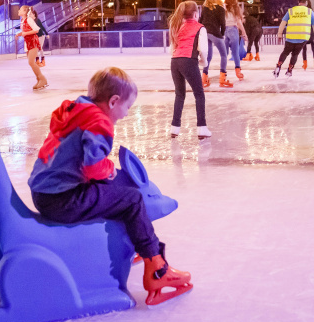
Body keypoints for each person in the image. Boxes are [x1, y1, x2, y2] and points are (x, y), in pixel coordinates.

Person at [28, 67, 193, 306]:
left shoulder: (77, 109)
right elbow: (93, 168)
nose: (126, 114)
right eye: (127, 107)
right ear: (114, 101)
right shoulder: (99, 122)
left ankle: (135, 242)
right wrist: (108, 169)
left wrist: (107, 170)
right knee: (133, 200)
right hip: (62, 199)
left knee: (118, 190)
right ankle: (157, 268)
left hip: (44, 190)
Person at [168, 1, 210, 140]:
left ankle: (174, 128)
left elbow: (171, 48)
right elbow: (203, 49)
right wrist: (204, 62)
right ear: (196, 14)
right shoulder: (200, 28)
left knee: (179, 94)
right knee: (199, 94)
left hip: (175, 61)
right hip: (188, 61)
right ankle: (202, 128)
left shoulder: (178, 27)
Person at [274, 0, 314, 78]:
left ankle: (278, 66)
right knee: (295, 54)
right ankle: (289, 70)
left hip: (290, 37)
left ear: (299, 2)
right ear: (306, 2)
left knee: (285, 52)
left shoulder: (291, 11)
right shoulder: (310, 12)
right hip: (302, 38)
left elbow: (283, 22)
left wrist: (279, 34)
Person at [199, 0, 232, 88]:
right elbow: (223, 23)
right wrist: (221, 34)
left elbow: (200, 21)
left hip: (205, 33)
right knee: (224, 55)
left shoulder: (205, 8)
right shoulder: (220, 8)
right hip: (215, 33)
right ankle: (222, 78)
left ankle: (204, 77)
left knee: (208, 56)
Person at [16, 4, 47, 90]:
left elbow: (36, 29)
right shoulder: (23, 20)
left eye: (20, 10)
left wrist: (25, 33)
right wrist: (19, 34)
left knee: (31, 62)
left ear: (25, 12)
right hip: (28, 42)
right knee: (31, 63)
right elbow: (25, 31)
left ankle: (42, 79)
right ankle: (39, 80)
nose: (18, 11)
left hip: (33, 42)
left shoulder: (29, 19)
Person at [223, 0, 248, 80]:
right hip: (233, 30)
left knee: (224, 54)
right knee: (235, 53)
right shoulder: (236, 8)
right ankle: (238, 72)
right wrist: (244, 34)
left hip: (225, 31)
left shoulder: (223, 8)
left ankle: (222, 74)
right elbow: (239, 22)